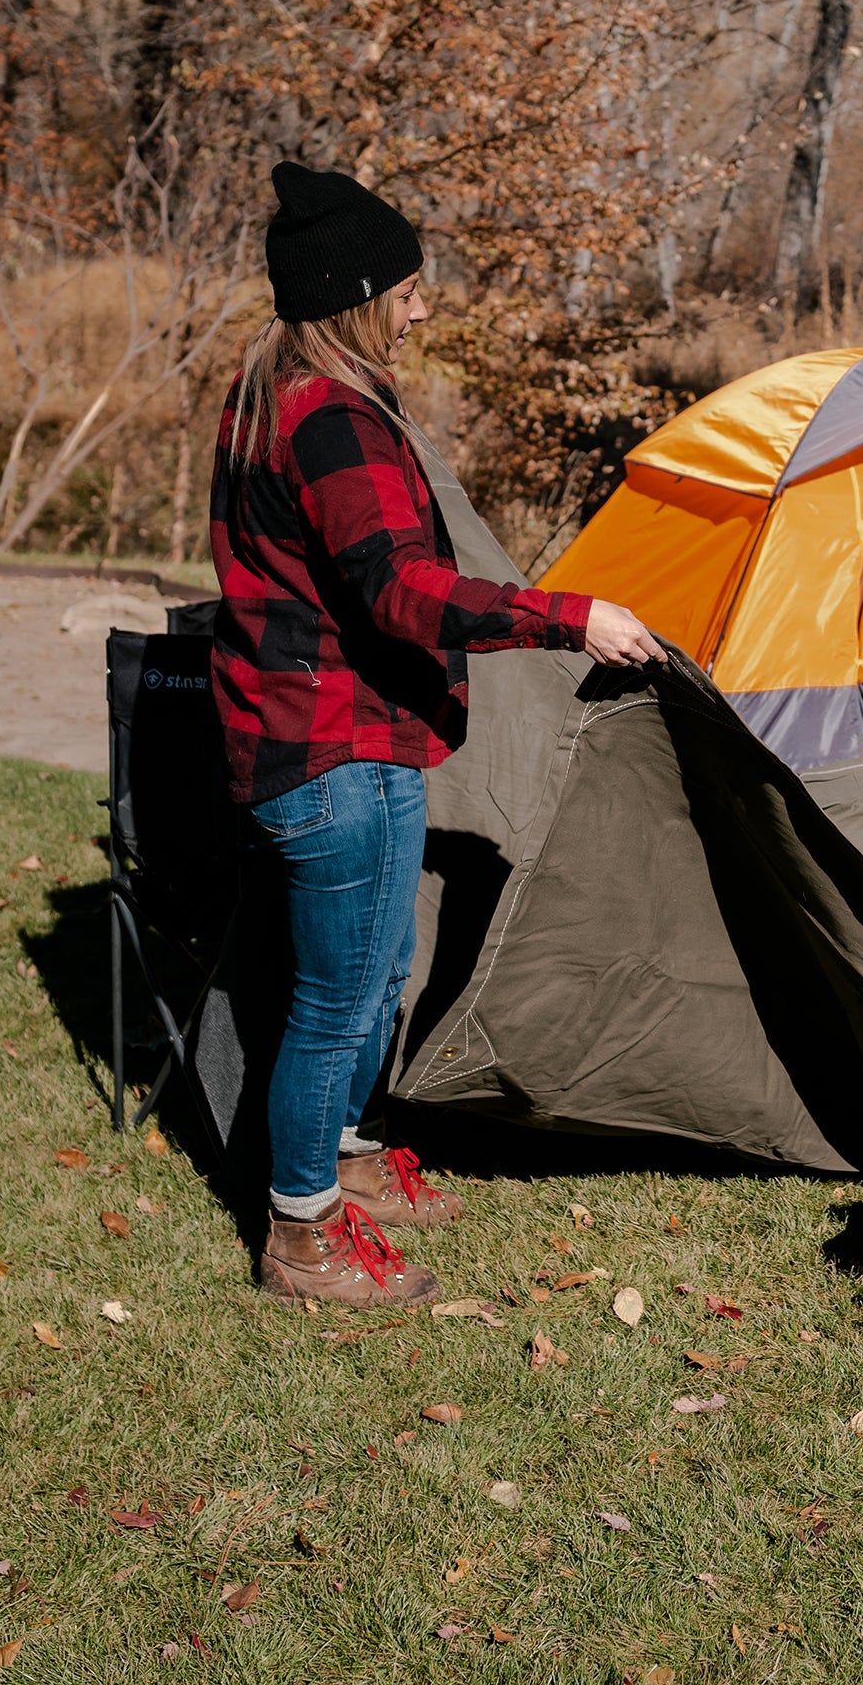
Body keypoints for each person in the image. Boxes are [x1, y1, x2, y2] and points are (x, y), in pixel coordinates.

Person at [212, 162, 665, 1309]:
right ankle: (302, 1236)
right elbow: (399, 592)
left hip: (351, 736)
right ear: (360, 295)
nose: (422, 307)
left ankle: (352, 1160)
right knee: (336, 1000)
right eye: (408, 289)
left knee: (378, 977)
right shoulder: (326, 421)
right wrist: (573, 620)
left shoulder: (285, 387)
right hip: (331, 751)